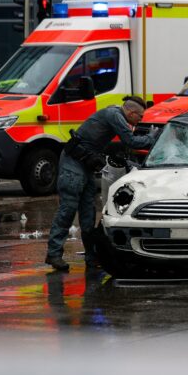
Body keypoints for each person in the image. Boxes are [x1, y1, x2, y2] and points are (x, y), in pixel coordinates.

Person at [45, 96, 156, 271]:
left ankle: (92, 257)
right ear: (131, 112)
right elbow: (131, 141)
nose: (140, 120)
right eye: (140, 117)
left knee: (88, 214)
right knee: (68, 210)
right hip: (73, 165)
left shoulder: (113, 114)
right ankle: (54, 254)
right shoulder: (115, 115)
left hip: (84, 165)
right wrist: (153, 137)